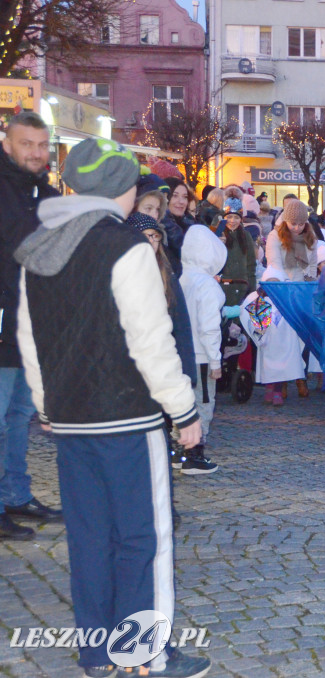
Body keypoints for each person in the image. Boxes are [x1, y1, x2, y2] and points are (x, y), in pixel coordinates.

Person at [14, 138, 209, 678]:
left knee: (90, 538)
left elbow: (32, 339)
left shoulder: (41, 249)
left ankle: (98, 652)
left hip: (71, 418)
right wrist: (184, 411)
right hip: (128, 416)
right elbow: (151, 340)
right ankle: (144, 655)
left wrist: (46, 403)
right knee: (144, 538)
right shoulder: (125, 248)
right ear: (122, 188)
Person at [0, 111, 63, 542]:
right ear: (8, 144)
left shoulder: (42, 190)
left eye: (42, 145)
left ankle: (15, 495)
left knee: (19, 414)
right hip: (3, 320)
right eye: (27, 144)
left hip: (31, 320)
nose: (36, 153)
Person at [179, 225, 226, 475]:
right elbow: (210, 327)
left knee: (182, 404)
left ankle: (180, 450)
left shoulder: (179, 277)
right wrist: (216, 361)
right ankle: (194, 455)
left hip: (180, 355)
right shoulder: (207, 285)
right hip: (201, 357)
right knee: (202, 404)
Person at [239, 267, 307, 406]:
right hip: (269, 342)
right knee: (269, 367)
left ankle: (277, 390)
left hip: (284, 341)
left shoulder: (287, 302)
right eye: (269, 282)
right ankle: (269, 389)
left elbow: (296, 318)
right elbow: (258, 325)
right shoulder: (260, 302)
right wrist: (260, 337)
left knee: (282, 367)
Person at [267, 199, 319, 281]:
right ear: (286, 221)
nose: (297, 228)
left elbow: (313, 264)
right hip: (283, 284)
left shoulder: (310, 237)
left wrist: (311, 282)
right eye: (293, 224)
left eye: (301, 224)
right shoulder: (275, 236)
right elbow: (274, 263)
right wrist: (286, 283)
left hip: (303, 286)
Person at [218, 205, 257, 307]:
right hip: (223, 286)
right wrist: (218, 243)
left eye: (236, 217)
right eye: (229, 217)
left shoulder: (245, 235)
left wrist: (252, 289)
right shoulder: (218, 235)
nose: (232, 221)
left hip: (242, 287)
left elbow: (251, 263)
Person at [162, 177, 196, 271]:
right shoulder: (163, 225)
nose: (181, 202)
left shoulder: (188, 222)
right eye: (175, 195)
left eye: (185, 197)